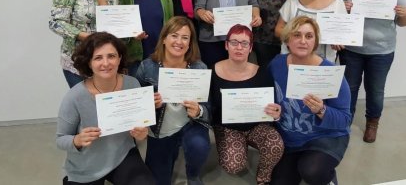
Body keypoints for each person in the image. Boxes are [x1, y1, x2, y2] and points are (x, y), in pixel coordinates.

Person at [56, 32, 155, 185]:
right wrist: (77, 140)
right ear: (89, 62)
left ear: (120, 58)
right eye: (98, 58)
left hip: (122, 155)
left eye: (111, 56)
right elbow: (60, 139)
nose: (106, 63)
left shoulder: (132, 84)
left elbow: (140, 126)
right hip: (86, 165)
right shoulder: (75, 96)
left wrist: (142, 134)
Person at [269, 16, 351, 185]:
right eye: (297, 35)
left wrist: (322, 110)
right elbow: (269, 100)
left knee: (312, 171)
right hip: (290, 138)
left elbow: (345, 120)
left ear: (316, 41)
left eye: (309, 36)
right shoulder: (276, 65)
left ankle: (328, 178)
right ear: (287, 39)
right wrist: (274, 113)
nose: (303, 41)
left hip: (325, 136)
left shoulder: (330, 71)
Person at [339, 0, 406, 143]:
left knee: (375, 90)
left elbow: (402, 23)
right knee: (349, 89)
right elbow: (339, 18)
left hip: (382, 51)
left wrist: (402, 14)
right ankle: (345, 123)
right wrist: (344, 9)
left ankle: (372, 124)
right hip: (352, 50)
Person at [135, 16, 210, 185]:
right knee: (157, 181)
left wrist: (199, 111)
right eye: (174, 36)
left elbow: (209, 107)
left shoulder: (199, 68)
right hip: (161, 129)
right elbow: (136, 103)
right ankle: (170, 151)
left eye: (185, 38)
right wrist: (148, 105)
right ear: (164, 39)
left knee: (199, 145)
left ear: (190, 43)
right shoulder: (147, 67)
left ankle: (193, 174)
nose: (179, 42)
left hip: (189, 124)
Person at [209, 24, 284, 185]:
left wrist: (276, 113)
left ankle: (263, 177)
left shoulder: (262, 72)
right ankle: (236, 145)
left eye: (244, 43)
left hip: (256, 126)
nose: (239, 47)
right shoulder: (212, 72)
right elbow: (208, 107)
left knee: (275, 144)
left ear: (250, 48)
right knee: (233, 165)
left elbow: (272, 105)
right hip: (227, 127)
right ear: (226, 45)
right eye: (234, 42)